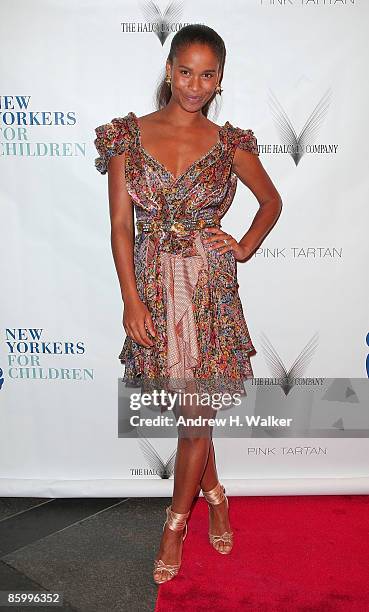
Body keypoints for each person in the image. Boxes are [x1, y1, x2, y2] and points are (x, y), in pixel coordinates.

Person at [94, 24, 282, 584]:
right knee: (189, 414)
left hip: (207, 291)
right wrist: (132, 300)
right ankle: (217, 495)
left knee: (195, 416)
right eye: (185, 71)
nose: (195, 84)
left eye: (208, 74)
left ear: (220, 77)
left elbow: (271, 200)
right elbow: (121, 228)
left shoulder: (230, 145)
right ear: (168, 69)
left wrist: (244, 246)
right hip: (153, 289)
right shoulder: (127, 136)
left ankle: (175, 525)